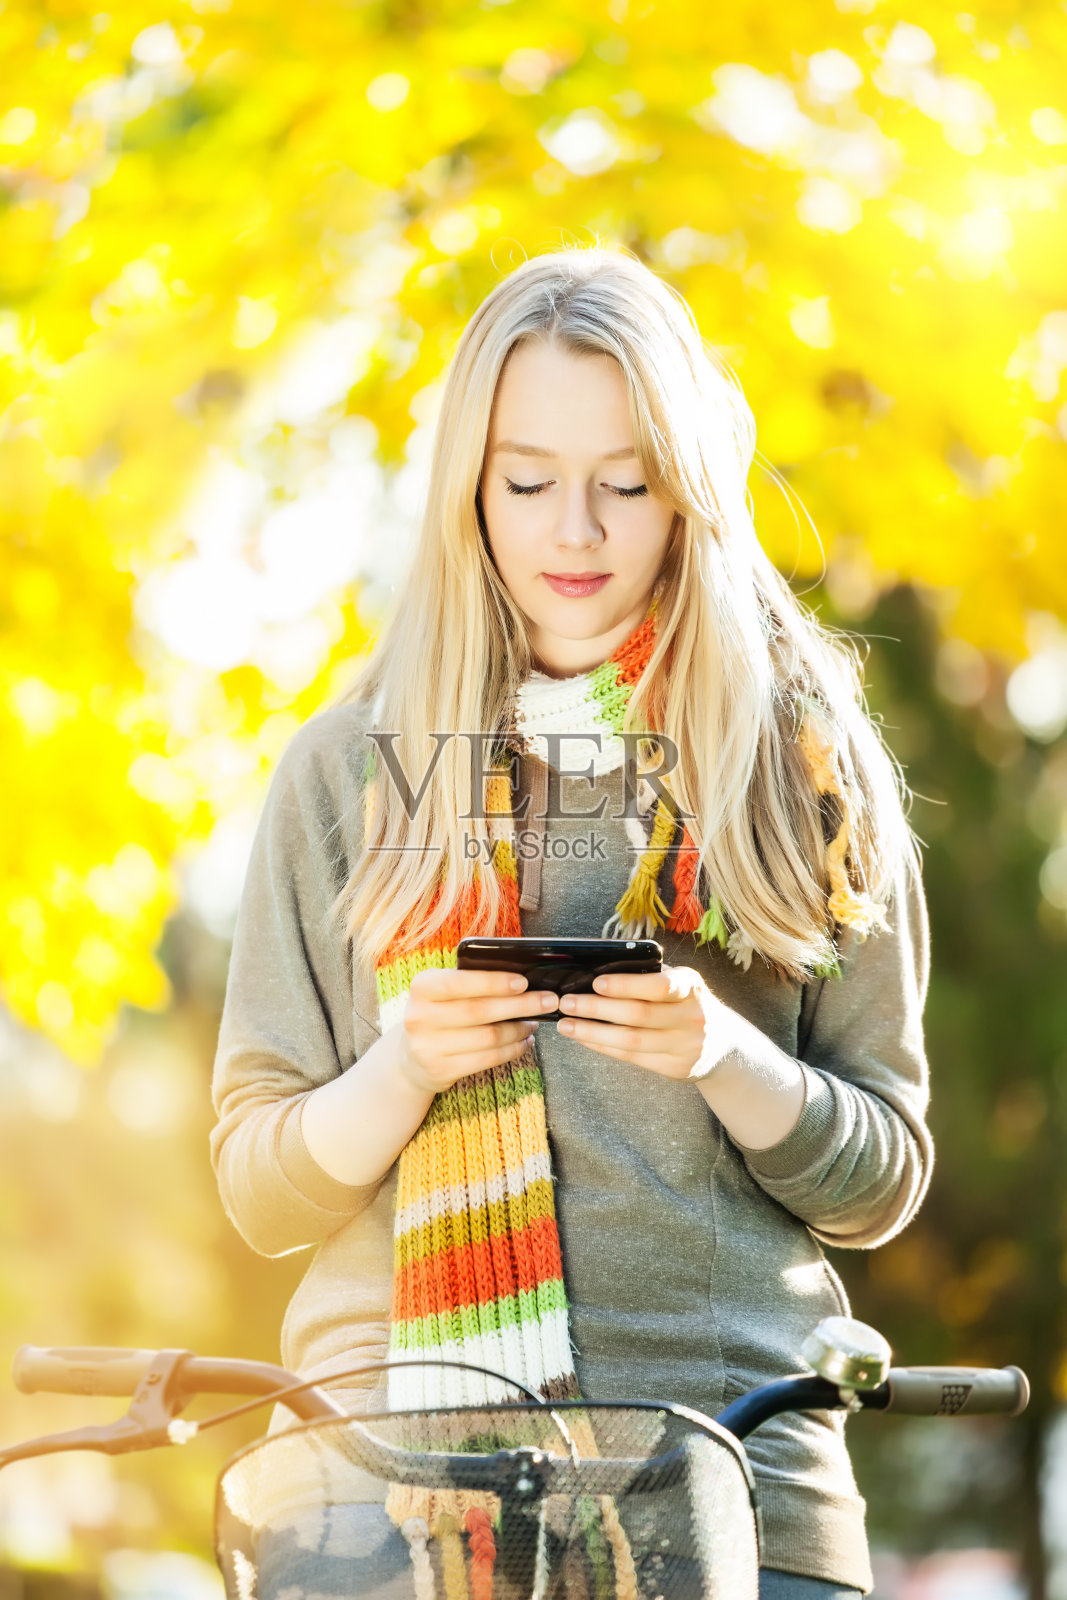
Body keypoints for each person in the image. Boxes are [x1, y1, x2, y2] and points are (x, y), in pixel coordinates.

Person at [211, 246, 932, 1600]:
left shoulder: (799, 765)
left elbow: (884, 1173)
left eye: (625, 484)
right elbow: (260, 1188)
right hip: (381, 1504)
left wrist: (723, 1057)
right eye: (529, 482)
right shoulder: (349, 772)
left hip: (730, 1492)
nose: (575, 535)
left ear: (690, 492)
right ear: (467, 492)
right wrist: (406, 1067)